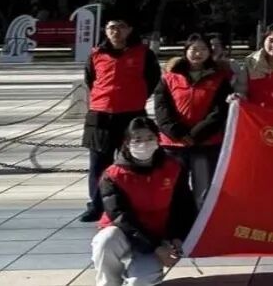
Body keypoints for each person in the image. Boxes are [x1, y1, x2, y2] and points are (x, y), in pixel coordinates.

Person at [91, 117, 196, 286]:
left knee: (139, 282)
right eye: (137, 139)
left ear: (158, 140)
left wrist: (177, 237)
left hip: (158, 234)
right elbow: (121, 217)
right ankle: (109, 283)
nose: (144, 144)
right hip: (124, 233)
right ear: (127, 143)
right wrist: (156, 248)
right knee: (105, 241)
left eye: (149, 138)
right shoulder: (112, 175)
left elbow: (183, 204)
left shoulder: (174, 167)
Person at [80, 20, 161, 223]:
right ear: (106, 30)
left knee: (136, 160)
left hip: (132, 116)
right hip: (100, 115)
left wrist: (134, 97)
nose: (116, 31)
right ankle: (97, 205)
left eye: (121, 27)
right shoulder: (96, 54)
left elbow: (152, 80)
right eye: (111, 27)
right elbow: (90, 80)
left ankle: (135, 203)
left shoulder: (144, 53)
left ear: (130, 29)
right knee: (98, 164)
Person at [153, 34, 233, 209]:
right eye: (194, 49)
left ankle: (200, 224)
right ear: (186, 51)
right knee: (174, 189)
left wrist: (195, 135)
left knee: (203, 191)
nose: (198, 53)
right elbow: (161, 109)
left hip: (205, 143)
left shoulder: (219, 78)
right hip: (174, 144)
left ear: (209, 52)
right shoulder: (169, 77)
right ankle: (177, 224)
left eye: (203, 49)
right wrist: (178, 133)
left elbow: (220, 111)